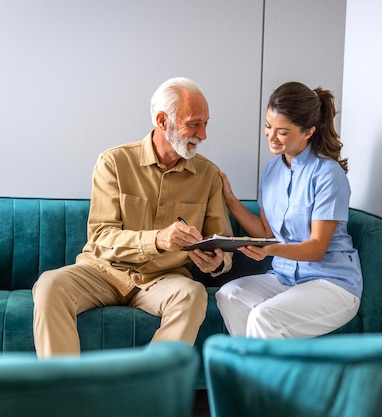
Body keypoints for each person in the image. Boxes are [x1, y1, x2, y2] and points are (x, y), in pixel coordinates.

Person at [32, 77, 233, 357]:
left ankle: (149, 390)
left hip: (165, 278)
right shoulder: (113, 162)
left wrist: (217, 261)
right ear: (163, 121)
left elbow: (220, 242)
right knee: (50, 285)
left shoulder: (208, 174)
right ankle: (65, 392)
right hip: (103, 271)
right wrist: (158, 240)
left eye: (206, 123)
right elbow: (101, 237)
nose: (203, 134)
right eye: (194, 123)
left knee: (192, 293)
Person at [216, 81, 362, 338]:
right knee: (230, 295)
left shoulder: (328, 174)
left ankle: (258, 377)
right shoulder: (271, 171)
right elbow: (266, 232)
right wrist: (230, 201)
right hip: (285, 278)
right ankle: (249, 373)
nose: (271, 137)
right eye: (268, 126)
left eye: (282, 131)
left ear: (308, 131)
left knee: (264, 317)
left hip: (331, 283)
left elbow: (317, 248)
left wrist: (270, 250)